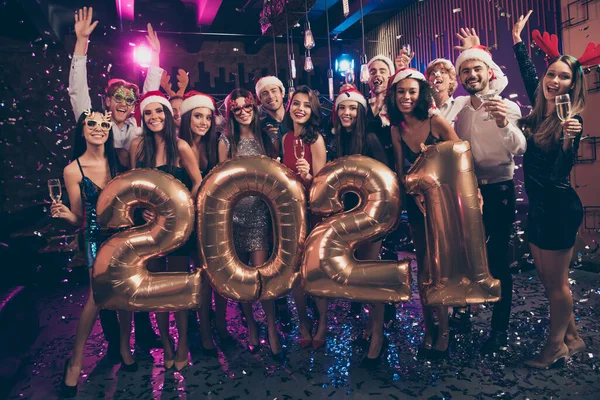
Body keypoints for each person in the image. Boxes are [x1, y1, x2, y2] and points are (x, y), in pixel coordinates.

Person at [67, 5, 161, 356]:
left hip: (133, 214)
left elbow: (151, 95)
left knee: (140, 269)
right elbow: (78, 93)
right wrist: (81, 45)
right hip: (99, 214)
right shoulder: (96, 123)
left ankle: (145, 333)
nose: (124, 103)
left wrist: (155, 56)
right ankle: (112, 343)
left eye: (129, 99)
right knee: (103, 280)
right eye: (117, 98)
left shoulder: (136, 127)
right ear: (107, 102)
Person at [513, 10, 591, 368]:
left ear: (573, 85)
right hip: (539, 207)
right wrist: (516, 40)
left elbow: (561, 175)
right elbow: (529, 72)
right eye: (551, 74)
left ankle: (555, 346)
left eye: (564, 77)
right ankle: (573, 338)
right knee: (548, 280)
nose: (554, 81)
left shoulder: (569, 121)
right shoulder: (540, 109)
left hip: (559, 208)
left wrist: (566, 143)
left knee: (557, 285)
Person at [454, 40, 527, 355]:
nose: (471, 74)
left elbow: (519, 148)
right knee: (467, 257)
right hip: (468, 190)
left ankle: (499, 329)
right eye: (466, 70)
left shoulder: (506, 106)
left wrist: (501, 122)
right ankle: (465, 316)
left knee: (498, 260)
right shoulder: (460, 111)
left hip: (498, 189)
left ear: (489, 72)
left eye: (476, 68)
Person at [52, 109, 130, 396]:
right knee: (96, 298)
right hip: (95, 238)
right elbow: (77, 218)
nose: (99, 128)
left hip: (123, 235)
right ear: (82, 129)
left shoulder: (119, 160)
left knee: (123, 294)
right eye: (92, 124)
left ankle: (125, 349)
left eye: (104, 124)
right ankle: (75, 362)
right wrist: (64, 215)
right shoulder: (73, 169)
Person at [386, 68, 460, 360]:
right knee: (424, 269)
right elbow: (401, 170)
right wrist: (413, 193)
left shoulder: (436, 121)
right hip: (416, 205)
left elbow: (459, 158)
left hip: (441, 202)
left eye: (411, 91)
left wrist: (434, 189)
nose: (406, 97)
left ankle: (444, 332)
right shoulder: (396, 129)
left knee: (439, 268)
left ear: (421, 94)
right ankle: (429, 329)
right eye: (401, 92)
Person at [129, 91, 202, 371]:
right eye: (148, 113)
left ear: (168, 115)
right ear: (143, 117)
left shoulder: (181, 146)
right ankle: (167, 345)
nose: (154, 117)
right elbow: (133, 186)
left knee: (180, 287)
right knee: (156, 290)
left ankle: (183, 343)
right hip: (149, 228)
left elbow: (197, 183)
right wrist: (140, 210)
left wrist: (184, 211)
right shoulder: (138, 146)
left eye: (159, 112)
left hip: (178, 229)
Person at [217, 88, 284, 360]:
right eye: (237, 109)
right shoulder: (225, 140)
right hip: (234, 215)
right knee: (242, 276)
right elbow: (220, 182)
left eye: (247, 107)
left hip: (260, 213)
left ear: (255, 108)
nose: (243, 112)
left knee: (261, 273)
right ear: (231, 113)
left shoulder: (266, 137)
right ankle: (252, 327)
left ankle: (270, 326)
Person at [332, 86, 394, 366]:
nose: (347, 113)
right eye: (342, 108)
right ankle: (371, 327)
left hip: (370, 216)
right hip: (348, 217)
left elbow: (385, 180)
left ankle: (378, 334)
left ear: (360, 112)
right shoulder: (338, 140)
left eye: (352, 108)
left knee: (370, 274)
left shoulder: (369, 138)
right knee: (359, 274)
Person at [178, 91, 235, 355]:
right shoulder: (177, 145)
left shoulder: (215, 145)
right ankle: (203, 332)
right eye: (198, 116)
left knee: (218, 274)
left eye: (208, 117)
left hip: (215, 218)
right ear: (187, 116)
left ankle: (221, 326)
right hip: (188, 220)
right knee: (200, 276)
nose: (203, 122)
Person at [280, 86, 328, 350]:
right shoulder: (286, 138)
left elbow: (322, 186)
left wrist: (308, 176)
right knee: (294, 272)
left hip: (311, 213)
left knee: (313, 269)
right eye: (296, 103)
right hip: (289, 212)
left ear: (313, 110)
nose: (300, 108)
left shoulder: (316, 140)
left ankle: (322, 321)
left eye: (306, 105)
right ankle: (303, 321)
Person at [255, 76, 292, 328]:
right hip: (270, 195)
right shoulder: (258, 125)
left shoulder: (297, 115)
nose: (270, 96)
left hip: (297, 191)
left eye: (273, 91)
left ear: (282, 92)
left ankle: (306, 293)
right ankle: (280, 302)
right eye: (264, 94)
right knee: (274, 247)